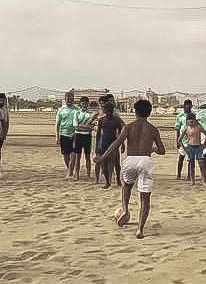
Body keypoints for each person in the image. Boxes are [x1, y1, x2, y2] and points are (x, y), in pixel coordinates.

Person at [96, 98, 166, 239]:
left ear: (135, 111)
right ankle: (140, 229)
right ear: (150, 112)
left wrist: (102, 157)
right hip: (145, 160)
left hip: (131, 159)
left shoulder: (129, 126)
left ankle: (125, 210)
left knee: (127, 185)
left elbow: (116, 143)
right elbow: (162, 150)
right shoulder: (152, 129)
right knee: (145, 197)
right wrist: (152, 149)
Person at [93, 100, 125, 188]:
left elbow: (121, 133)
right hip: (103, 143)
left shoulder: (117, 120)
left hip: (114, 143)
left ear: (113, 109)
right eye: (107, 109)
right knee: (104, 162)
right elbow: (99, 134)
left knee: (116, 163)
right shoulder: (101, 120)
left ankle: (118, 178)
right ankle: (107, 182)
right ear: (105, 109)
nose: (109, 111)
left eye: (111, 109)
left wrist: (122, 144)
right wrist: (97, 145)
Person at [70, 96, 95, 181]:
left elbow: (91, 128)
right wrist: (86, 126)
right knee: (78, 156)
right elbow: (76, 127)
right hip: (78, 136)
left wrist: (83, 126)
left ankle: (88, 175)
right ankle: (77, 174)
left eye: (86, 103)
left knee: (88, 156)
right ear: (80, 103)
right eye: (83, 103)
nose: (84, 104)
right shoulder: (77, 113)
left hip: (87, 136)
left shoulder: (91, 114)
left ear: (88, 103)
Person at [55, 91, 80, 175]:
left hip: (75, 135)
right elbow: (58, 124)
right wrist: (57, 137)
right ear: (65, 99)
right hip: (64, 134)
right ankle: (69, 169)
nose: (70, 100)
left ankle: (71, 171)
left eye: (71, 98)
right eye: (68, 98)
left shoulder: (77, 109)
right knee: (65, 154)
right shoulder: (61, 110)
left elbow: (81, 122)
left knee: (74, 154)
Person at [182, 113, 206, 184]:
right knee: (191, 165)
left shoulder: (198, 127)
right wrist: (185, 148)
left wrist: (204, 144)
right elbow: (179, 139)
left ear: (195, 120)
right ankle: (192, 181)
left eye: (192, 121)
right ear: (187, 121)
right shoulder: (186, 128)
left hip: (199, 147)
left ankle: (203, 180)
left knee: (201, 164)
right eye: (189, 121)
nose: (191, 122)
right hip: (190, 147)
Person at [174, 99, 194, 179]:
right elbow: (178, 129)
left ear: (191, 106)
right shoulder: (179, 116)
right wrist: (178, 141)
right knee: (181, 158)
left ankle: (189, 176)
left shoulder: (193, 116)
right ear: (184, 106)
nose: (188, 107)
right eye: (186, 106)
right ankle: (179, 175)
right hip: (182, 140)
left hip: (191, 141)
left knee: (190, 159)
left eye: (189, 106)